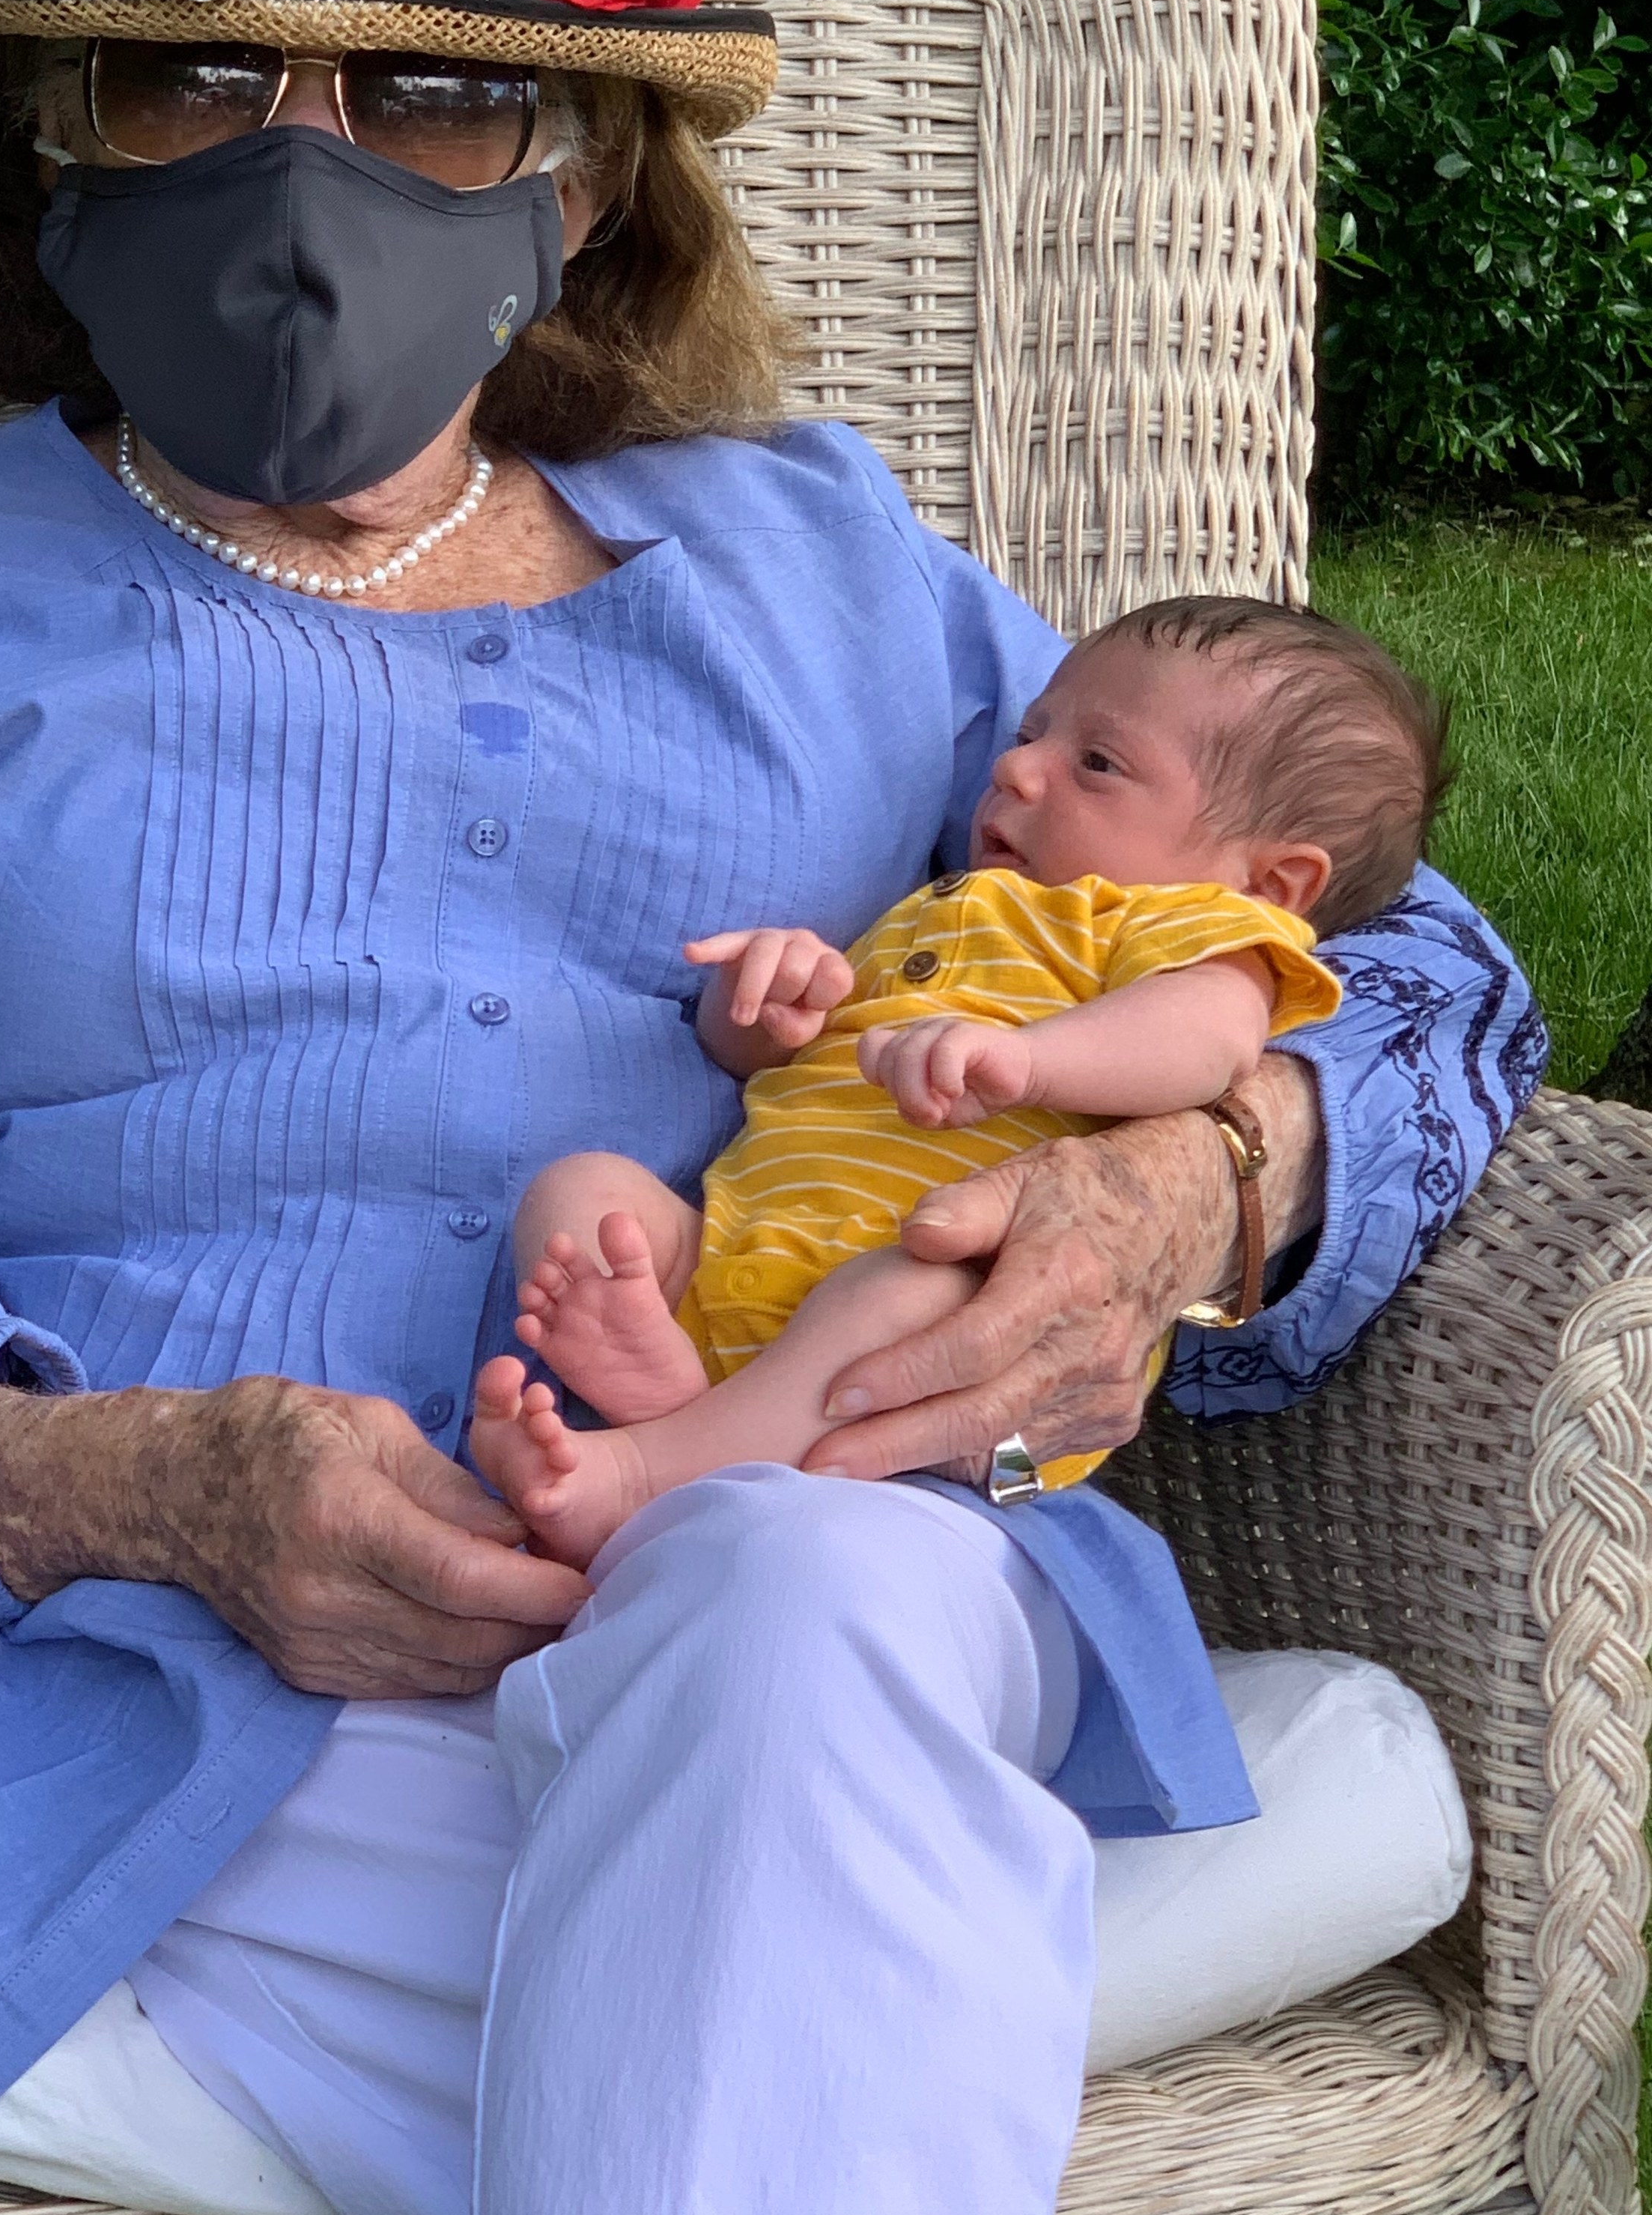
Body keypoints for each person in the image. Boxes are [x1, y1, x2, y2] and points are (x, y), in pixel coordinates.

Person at [0, 0, 1546, 2215]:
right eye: (188, 84)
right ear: (39, 157)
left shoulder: (826, 571)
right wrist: (143, 1486)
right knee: (777, 1873)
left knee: (790, 1604)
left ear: (595, 184)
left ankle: (724, 1960)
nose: (309, 183)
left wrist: (1197, 1180)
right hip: (210, 1686)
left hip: (807, 1548)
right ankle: (995, 1943)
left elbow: (1401, 959)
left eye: (436, 93)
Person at [470, 598, 1441, 1566]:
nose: (1017, 770)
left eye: (1097, 765)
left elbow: (1211, 1043)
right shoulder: (941, 910)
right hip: (744, 1249)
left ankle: (644, 1477)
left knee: (914, 1289)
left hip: (974, 1380)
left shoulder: (1176, 927)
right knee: (588, 1198)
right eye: (1029, 735)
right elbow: (766, 1070)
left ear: (1270, 885)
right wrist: (764, 1014)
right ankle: (696, 1416)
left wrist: (1033, 1060)